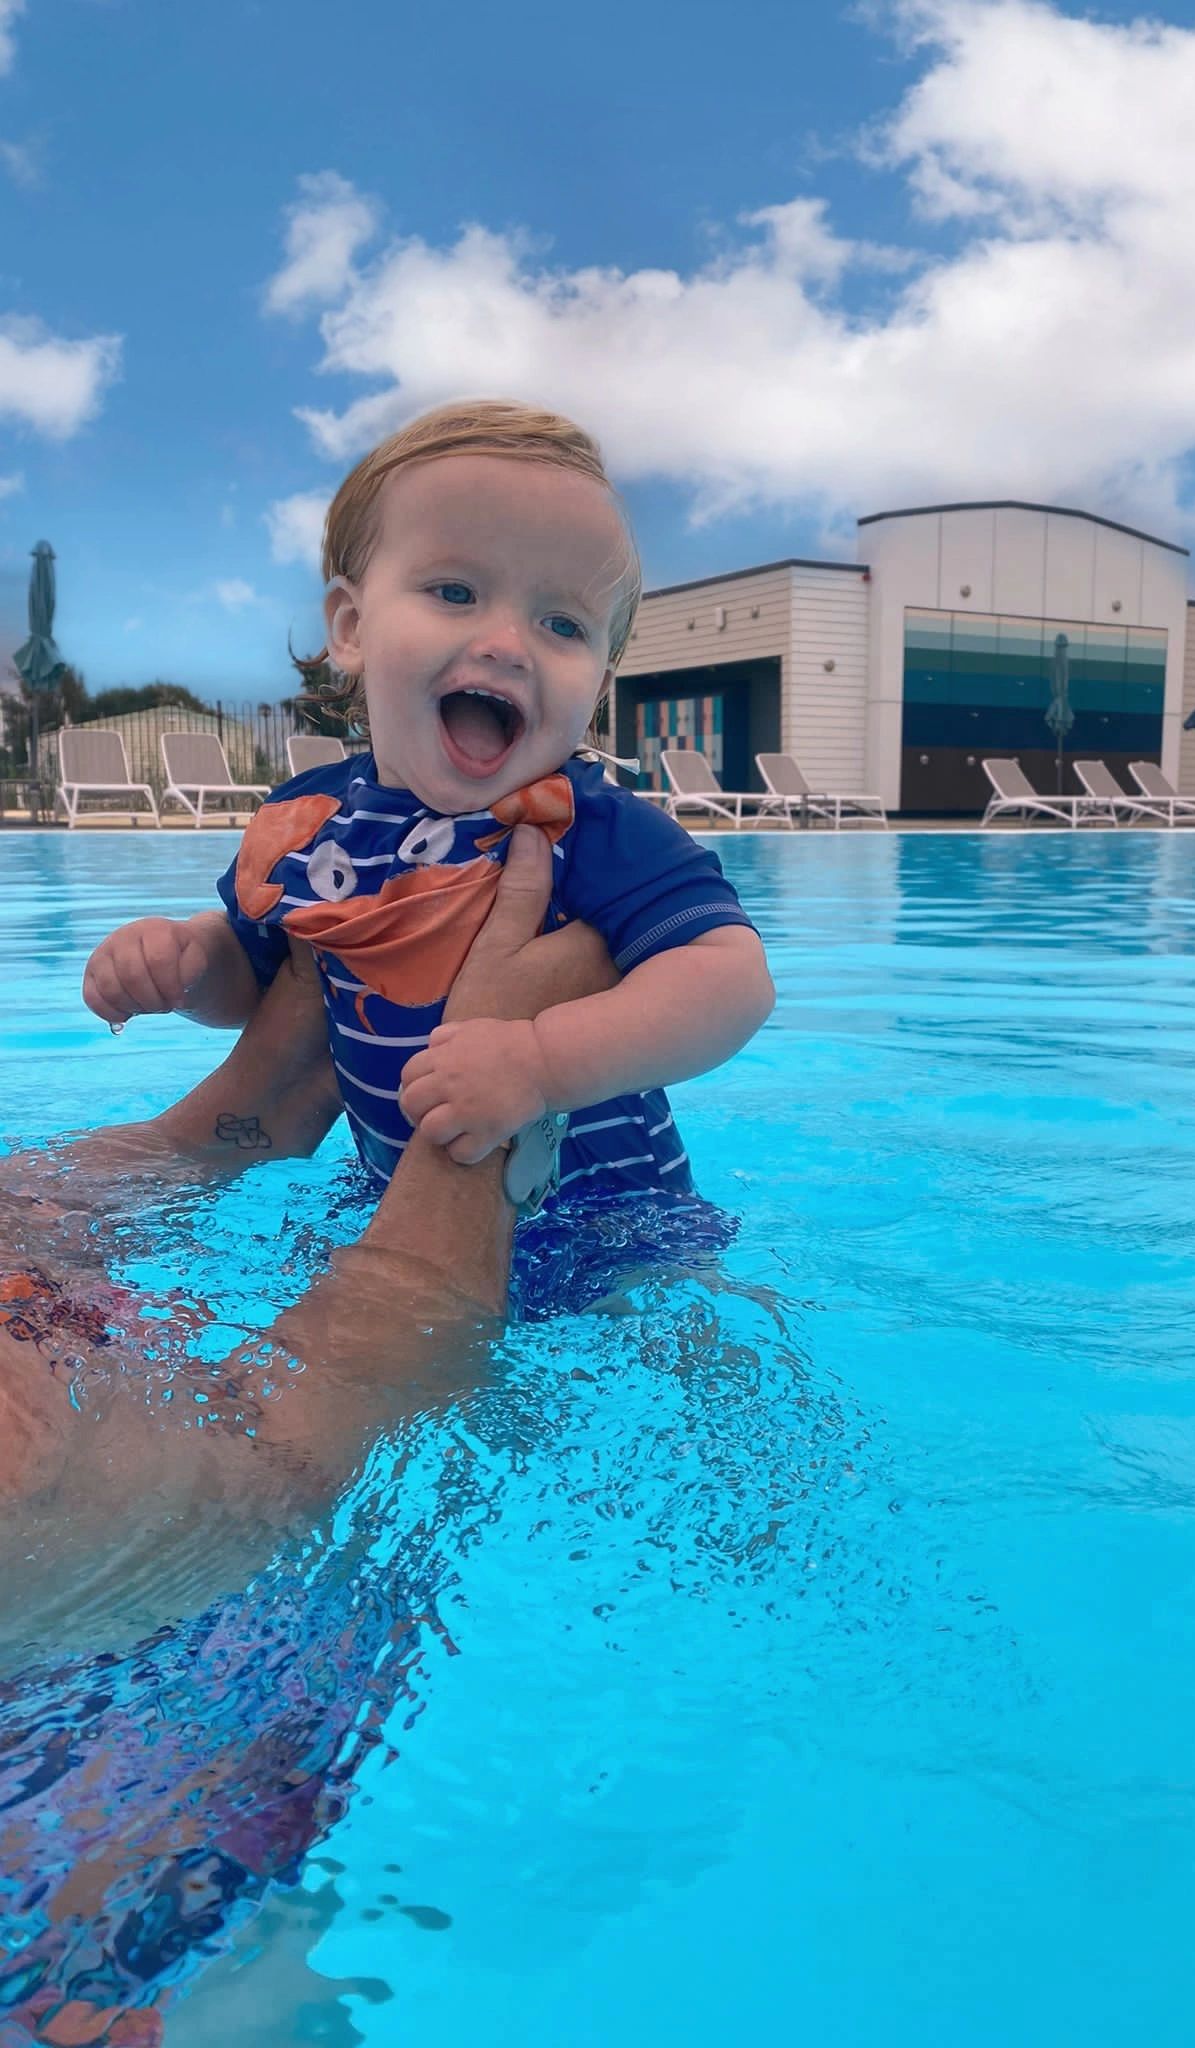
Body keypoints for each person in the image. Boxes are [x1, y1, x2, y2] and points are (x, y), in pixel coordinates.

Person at [0, 831, 620, 2046]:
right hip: (87, 1881)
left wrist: (255, 1084)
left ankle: (254, 1106)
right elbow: (313, 1417)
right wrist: (496, 1083)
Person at [79, 398, 775, 1286]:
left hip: (620, 1236)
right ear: (352, 626)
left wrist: (542, 1064)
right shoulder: (309, 820)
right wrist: (181, 961)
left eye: (564, 624)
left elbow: (731, 982)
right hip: (401, 1210)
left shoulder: (592, 825)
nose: (507, 643)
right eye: (455, 592)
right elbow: (254, 987)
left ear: (600, 679)